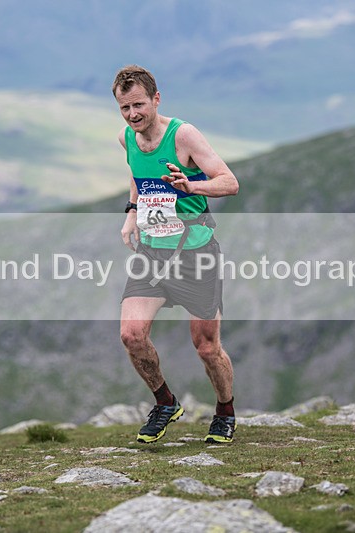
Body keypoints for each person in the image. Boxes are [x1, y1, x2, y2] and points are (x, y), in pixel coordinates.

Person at [112, 65, 240, 444]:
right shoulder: (127, 138)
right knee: (131, 335)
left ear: (156, 99)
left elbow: (230, 182)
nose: (133, 114)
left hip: (196, 252)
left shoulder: (183, 135)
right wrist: (132, 212)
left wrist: (191, 186)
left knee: (207, 347)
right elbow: (137, 175)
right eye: (124, 108)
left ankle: (225, 411)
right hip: (153, 252)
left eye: (139, 105)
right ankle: (165, 403)